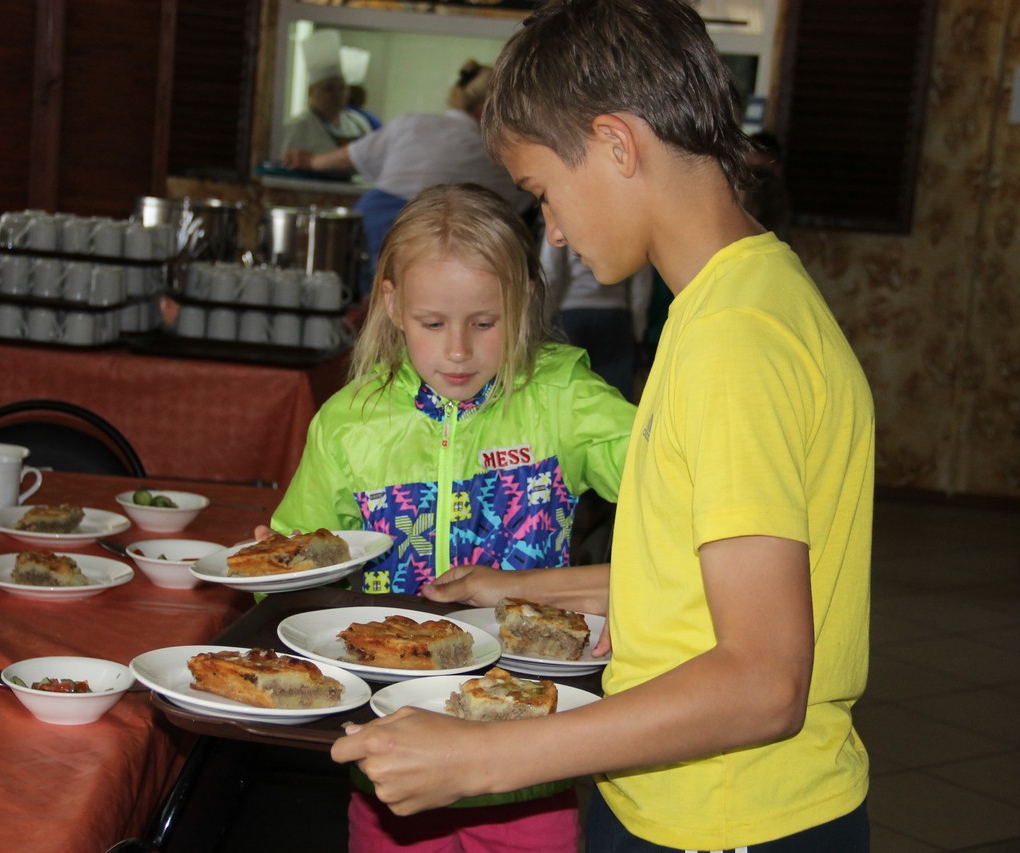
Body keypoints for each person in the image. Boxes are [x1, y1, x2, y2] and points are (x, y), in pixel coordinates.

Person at [332, 2, 876, 851]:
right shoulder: (738, 302)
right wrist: (520, 589)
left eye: (545, 192)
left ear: (617, 144)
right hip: (692, 801)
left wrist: (485, 756)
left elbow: (765, 681)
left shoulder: (733, 344)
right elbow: (693, 582)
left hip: (727, 818)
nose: (552, 228)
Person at [267, 182, 637, 851]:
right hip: (394, 755)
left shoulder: (563, 398)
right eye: (433, 324)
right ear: (392, 306)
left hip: (529, 762)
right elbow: (296, 574)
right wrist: (278, 564)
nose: (458, 351)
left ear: (522, 303)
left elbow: (679, 494)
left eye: (485, 323)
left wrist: (626, 592)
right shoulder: (349, 424)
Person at [283, 61, 533, 295]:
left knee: (359, 304)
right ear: (486, 109)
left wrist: (309, 160)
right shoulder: (494, 154)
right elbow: (523, 200)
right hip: (420, 234)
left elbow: (348, 156)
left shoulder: (412, 123)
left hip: (370, 219)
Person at [541, 235, 652, 402]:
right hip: (615, 315)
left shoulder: (562, 221)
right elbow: (640, 282)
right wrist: (638, 331)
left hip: (570, 314)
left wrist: (544, 320)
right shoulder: (627, 221)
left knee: (568, 394)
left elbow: (550, 272)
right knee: (615, 397)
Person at [279, 30, 372, 157]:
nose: (337, 94)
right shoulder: (295, 129)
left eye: (342, 88)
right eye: (329, 88)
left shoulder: (359, 125)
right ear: (311, 92)